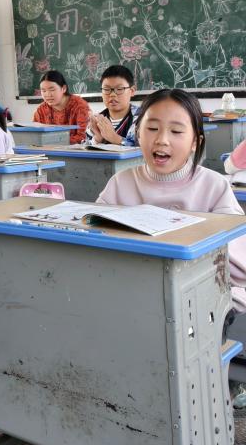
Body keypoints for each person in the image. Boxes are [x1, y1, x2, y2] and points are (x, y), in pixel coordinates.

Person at [97, 89, 244, 312]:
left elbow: (240, 269)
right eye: (152, 128)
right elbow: (94, 242)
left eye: (176, 131)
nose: (162, 140)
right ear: (138, 134)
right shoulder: (120, 183)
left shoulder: (214, 186)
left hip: (199, 302)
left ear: (195, 142)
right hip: (131, 295)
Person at [32, 70, 90, 144]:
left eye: (52, 90)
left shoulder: (80, 106)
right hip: (48, 149)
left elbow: (83, 137)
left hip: (73, 150)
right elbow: (34, 134)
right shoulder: (41, 110)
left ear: (64, 88)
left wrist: (52, 141)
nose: (48, 95)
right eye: (43, 91)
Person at [86, 65, 138, 146]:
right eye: (106, 89)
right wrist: (97, 139)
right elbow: (83, 148)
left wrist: (115, 138)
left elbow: (146, 148)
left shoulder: (142, 118)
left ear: (132, 91)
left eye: (119, 89)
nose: (112, 94)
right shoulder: (98, 120)